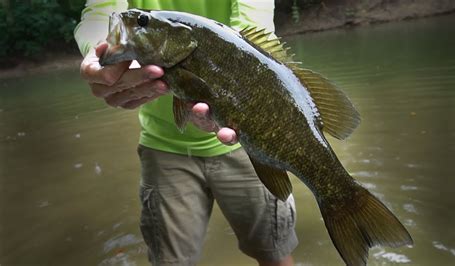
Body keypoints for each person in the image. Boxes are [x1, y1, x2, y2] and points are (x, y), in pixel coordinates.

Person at [75, 1, 298, 265]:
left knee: (274, 252)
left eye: (143, 23)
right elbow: (102, 12)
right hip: (164, 148)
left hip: (248, 145)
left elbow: (251, 31)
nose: (133, 25)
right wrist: (99, 45)